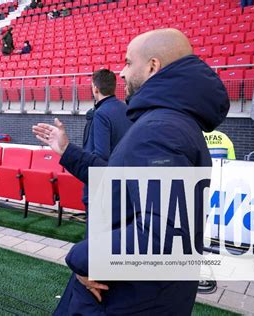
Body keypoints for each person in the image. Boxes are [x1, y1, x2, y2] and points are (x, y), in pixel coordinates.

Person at [33, 28, 230, 315]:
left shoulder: (160, 129)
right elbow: (117, 179)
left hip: (128, 298)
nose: (121, 73)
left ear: (153, 66)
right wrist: (67, 150)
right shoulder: (165, 121)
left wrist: (82, 257)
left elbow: (162, 234)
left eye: (127, 62)